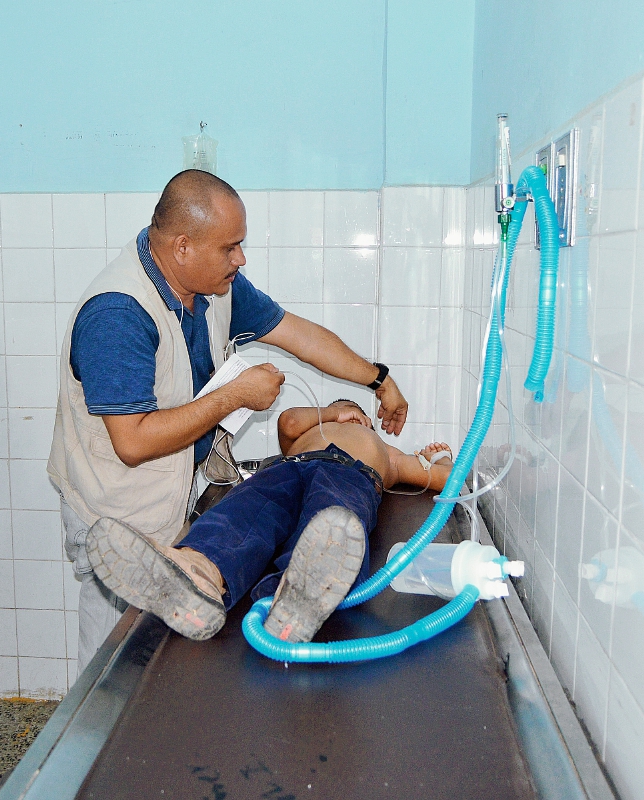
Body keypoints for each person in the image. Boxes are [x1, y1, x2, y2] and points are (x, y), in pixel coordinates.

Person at [48, 170, 410, 668]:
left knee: (163, 660)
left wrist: (378, 379)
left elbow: (298, 335)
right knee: (113, 669)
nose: (240, 259)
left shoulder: (215, 289)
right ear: (182, 247)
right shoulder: (117, 315)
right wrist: (233, 396)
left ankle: (273, 589)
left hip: (175, 507)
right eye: (230, 247)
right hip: (117, 516)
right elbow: (131, 442)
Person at [86, 399, 454, 643]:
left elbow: (446, 481)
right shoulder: (310, 428)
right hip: (284, 469)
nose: (352, 416)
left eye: (358, 414)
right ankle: (197, 572)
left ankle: (296, 598)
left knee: (332, 521)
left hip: (350, 475)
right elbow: (290, 420)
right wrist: (330, 411)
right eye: (345, 408)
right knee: (245, 513)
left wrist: (438, 458)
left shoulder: (386, 452)